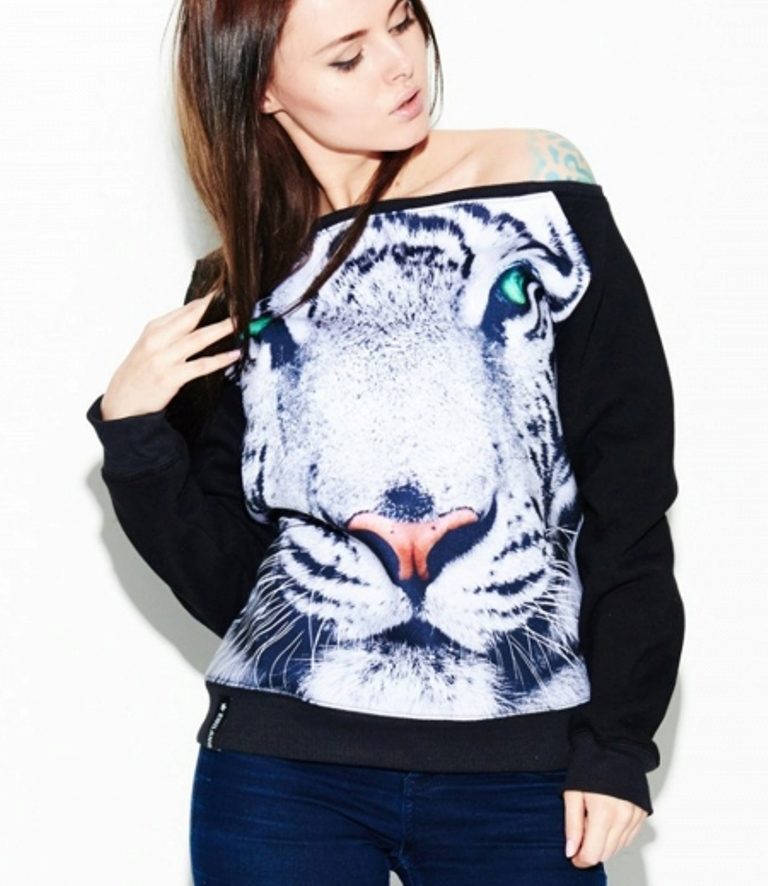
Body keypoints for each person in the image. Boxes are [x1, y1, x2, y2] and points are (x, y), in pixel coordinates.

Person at [85, 1, 684, 883]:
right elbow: (236, 584)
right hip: (280, 775)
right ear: (261, 89)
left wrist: (619, 739)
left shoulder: (537, 185)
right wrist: (136, 435)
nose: (399, 64)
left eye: (401, 23)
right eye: (347, 57)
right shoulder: (241, 276)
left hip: (524, 771)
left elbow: (628, 491)